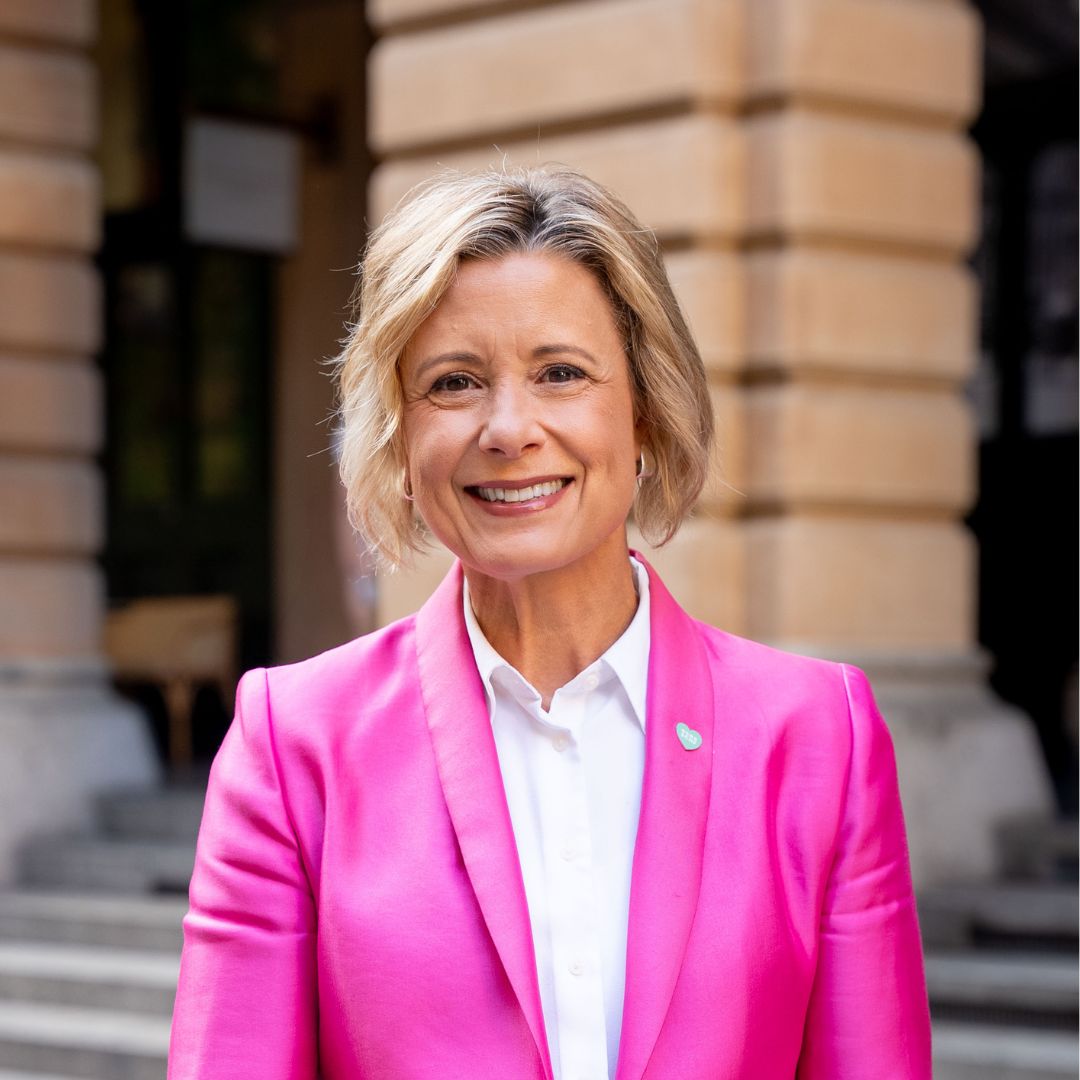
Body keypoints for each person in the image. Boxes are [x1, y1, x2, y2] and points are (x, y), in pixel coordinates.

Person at [167, 167, 931, 1079]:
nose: (509, 427)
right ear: (400, 440)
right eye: (453, 383)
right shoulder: (292, 746)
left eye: (560, 372)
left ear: (644, 412)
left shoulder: (820, 738)